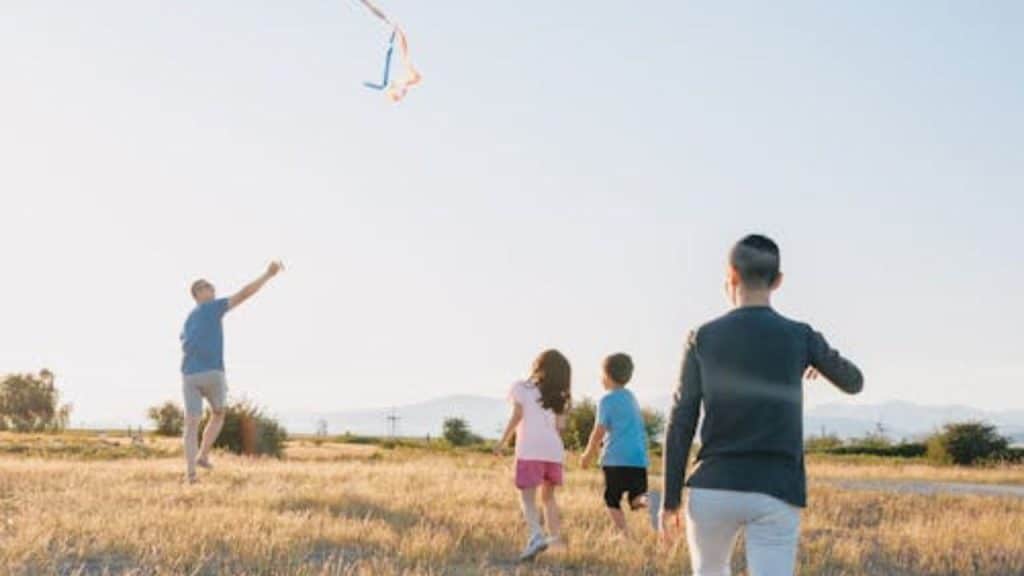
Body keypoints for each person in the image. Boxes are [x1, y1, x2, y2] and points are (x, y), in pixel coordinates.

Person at [660, 235, 863, 575]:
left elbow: (681, 420)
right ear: (778, 281)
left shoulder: (702, 337)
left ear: (731, 275)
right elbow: (854, 381)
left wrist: (669, 500)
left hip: (712, 487)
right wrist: (814, 358)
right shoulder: (800, 336)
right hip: (775, 488)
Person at [179, 261, 283, 483]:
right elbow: (244, 294)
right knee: (218, 414)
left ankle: (191, 475)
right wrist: (267, 274)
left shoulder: (189, 318)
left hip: (188, 375)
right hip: (212, 372)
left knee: (191, 424)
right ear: (198, 293)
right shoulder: (212, 307)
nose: (213, 289)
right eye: (209, 287)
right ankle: (203, 456)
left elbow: (184, 343)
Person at [495, 349, 572, 563]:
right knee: (549, 498)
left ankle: (536, 535)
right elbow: (561, 427)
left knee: (527, 498)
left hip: (530, 450)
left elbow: (517, 415)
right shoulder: (562, 397)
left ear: (538, 367)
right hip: (554, 452)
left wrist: (502, 442)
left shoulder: (521, 388)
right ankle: (556, 544)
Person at [580, 353, 651, 535]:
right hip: (638, 459)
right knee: (636, 498)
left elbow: (599, 431)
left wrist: (588, 454)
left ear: (606, 376)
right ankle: (650, 502)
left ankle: (624, 533)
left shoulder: (606, 400)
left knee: (612, 498)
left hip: (615, 460)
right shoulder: (631, 398)